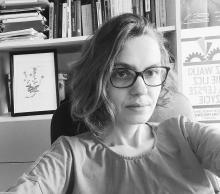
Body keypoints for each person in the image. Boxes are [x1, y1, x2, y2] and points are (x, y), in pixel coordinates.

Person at [4, 13, 220, 194]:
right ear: (98, 79)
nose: (141, 89)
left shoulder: (188, 135)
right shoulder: (69, 155)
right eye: (122, 73)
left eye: (152, 72)